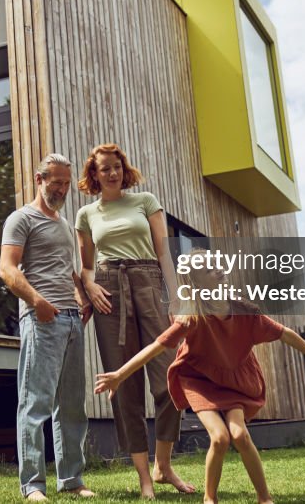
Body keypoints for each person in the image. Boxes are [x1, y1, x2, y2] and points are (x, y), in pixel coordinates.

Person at [94, 264, 305, 504]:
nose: (218, 271)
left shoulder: (246, 312)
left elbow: (285, 334)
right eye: (209, 270)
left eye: (217, 266)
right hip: (198, 380)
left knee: (239, 434)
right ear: (197, 284)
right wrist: (119, 374)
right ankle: (210, 499)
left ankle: (265, 498)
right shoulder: (192, 318)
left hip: (233, 380)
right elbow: (156, 346)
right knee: (219, 438)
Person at [75, 143, 195, 497]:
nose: (111, 173)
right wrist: (91, 284)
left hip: (148, 282)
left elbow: (163, 252)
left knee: (169, 377)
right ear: (94, 175)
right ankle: (144, 478)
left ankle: (164, 465)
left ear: (123, 169)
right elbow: (84, 265)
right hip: (109, 292)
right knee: (123, 386)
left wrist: (176, 298)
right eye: (104, 168)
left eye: (116, 166)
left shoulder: (145, 201)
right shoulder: (86, 215)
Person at [0, 153, 96, 500]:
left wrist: (82, 299)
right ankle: (33, 485)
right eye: (56, 182)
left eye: (67, 183)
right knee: (35, 403)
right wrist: (37, 302)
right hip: (42, 320)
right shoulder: (20, 219)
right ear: (39, 179)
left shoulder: (65, 224)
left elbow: (67, 270)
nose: (62, 189)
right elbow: (7, 270)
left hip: (72, 320)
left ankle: (71, 480)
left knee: (71, 406)